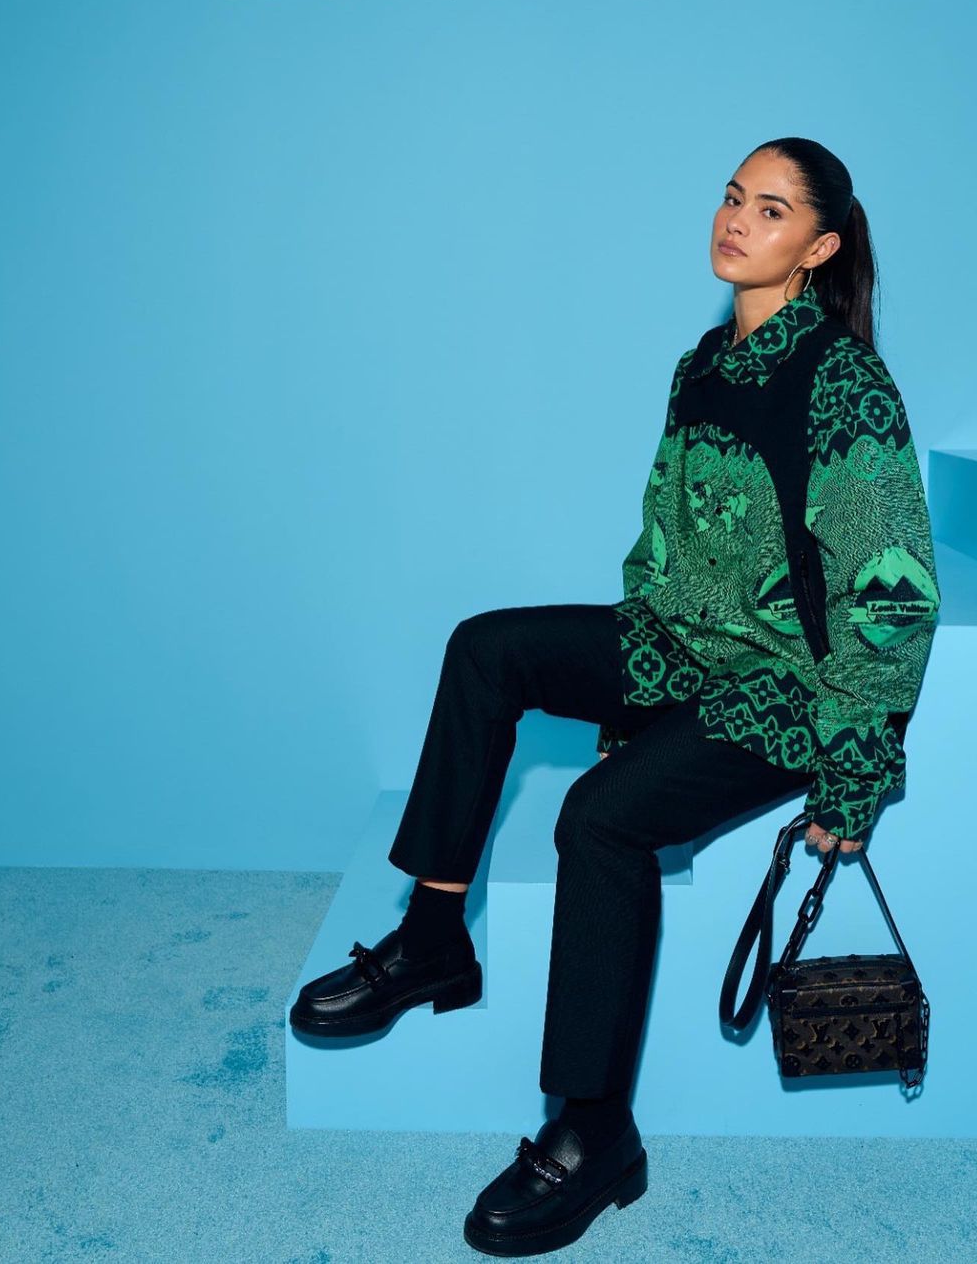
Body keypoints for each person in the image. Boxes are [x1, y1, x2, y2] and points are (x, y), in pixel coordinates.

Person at [289, 137, 941, 1256]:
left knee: (597, 818)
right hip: (682, 649)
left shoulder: (844, 382)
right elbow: (665, 547)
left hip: (791, 687)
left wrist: (857, 764)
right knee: (487, 649)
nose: (736, 219)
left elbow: (892, 588)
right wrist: (631, 693)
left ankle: (593, 1131)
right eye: (733, 196)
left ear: (819, 248)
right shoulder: (701, 365)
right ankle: (433, 936)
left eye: (770, 209)